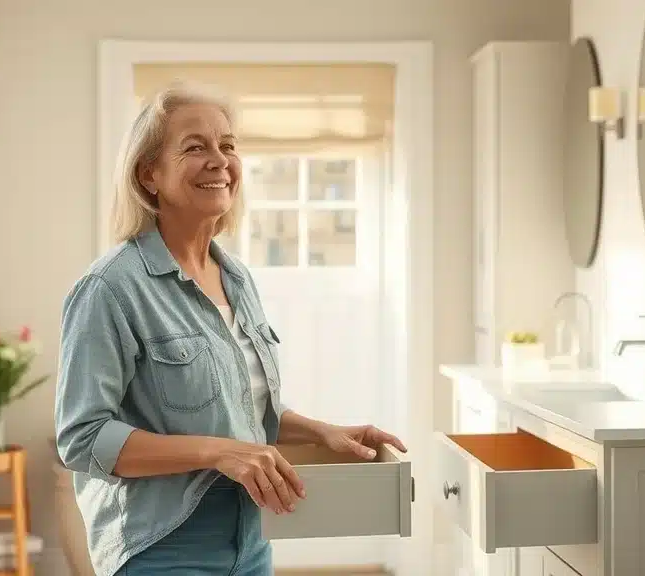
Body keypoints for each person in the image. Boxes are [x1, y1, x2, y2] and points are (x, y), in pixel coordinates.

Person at [53, 81, 407, 576]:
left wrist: (320, 432)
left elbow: (236, 405)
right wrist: (221, 453)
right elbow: (83, 439)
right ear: (149, 174)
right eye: (195, 147)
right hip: (163, 544)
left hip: (253, 533)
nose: (220, 160)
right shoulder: (110, 288)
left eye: (228, 146)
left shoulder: (235, 278)